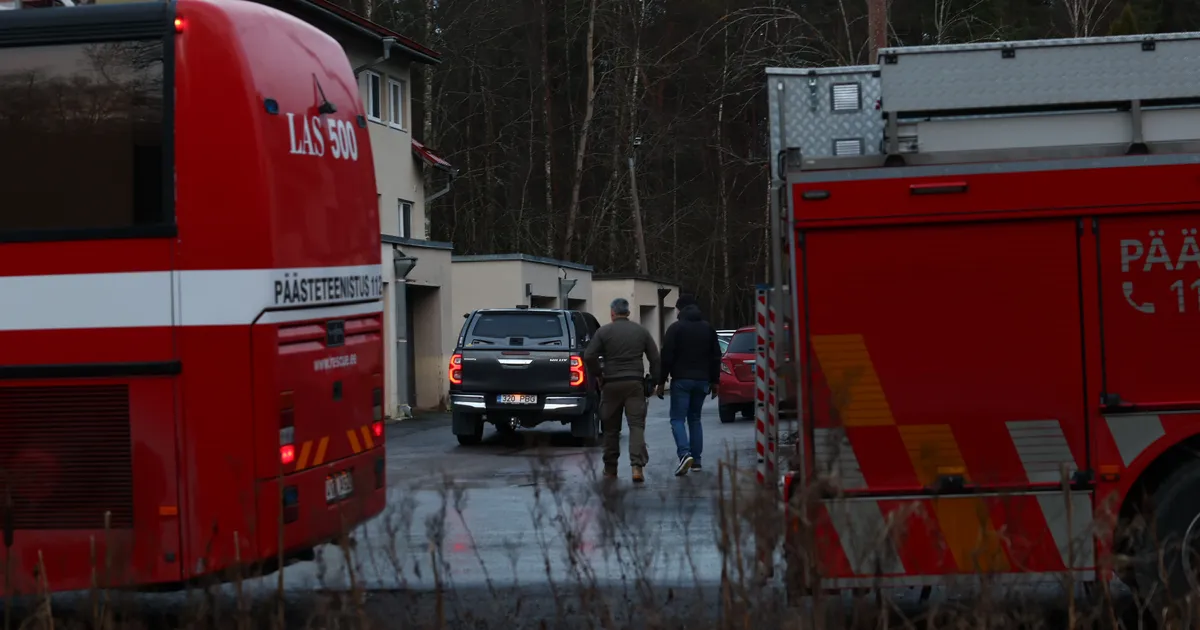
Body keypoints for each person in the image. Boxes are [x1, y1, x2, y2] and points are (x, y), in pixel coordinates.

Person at [584, 297, 661, 483]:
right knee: (636, 426)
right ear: (627, 312)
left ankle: (610, 469)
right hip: (635, 384)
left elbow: (589, 355)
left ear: (612, 313)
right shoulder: (641, 331)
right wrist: (654, 380)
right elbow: (655, 357)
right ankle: (637, 467)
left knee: (611, 429)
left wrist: (599, 374)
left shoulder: (604, 332)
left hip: (610, 384)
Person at [656, 294, 721, 476]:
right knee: (695, 419)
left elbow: (667, 356)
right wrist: (715, 381)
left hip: (681, 381)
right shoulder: (708, 328)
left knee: (677, 419)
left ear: (681, 309)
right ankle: (697, 461)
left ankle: (684, 454)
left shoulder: (675, 329)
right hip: (702, 381)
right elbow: (716, 356)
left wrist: (661, 381)